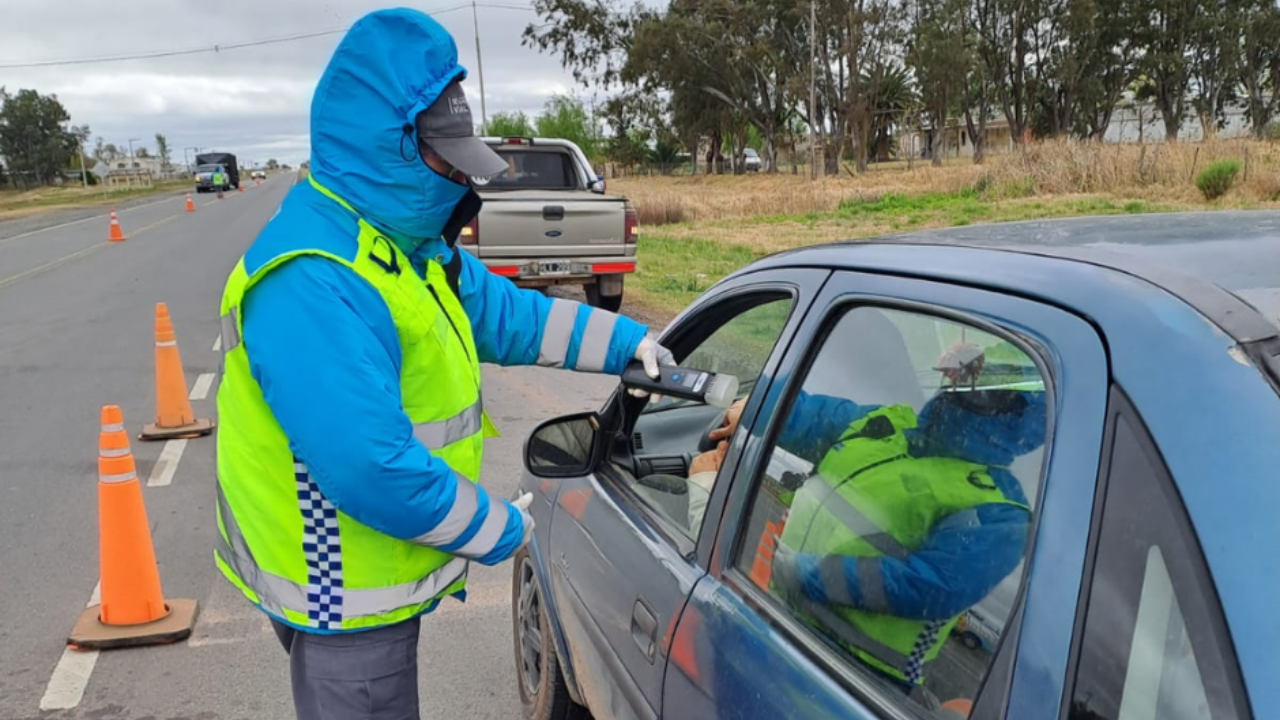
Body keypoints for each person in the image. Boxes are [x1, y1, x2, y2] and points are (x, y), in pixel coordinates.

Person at [212, 9, 671, 720]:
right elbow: (371, 467)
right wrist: (506, 529)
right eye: (444, 156)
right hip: (341, 599)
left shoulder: (401, 243)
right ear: (385, 145)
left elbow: (509, 316)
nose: (460, 174)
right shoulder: (312, 277)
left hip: (380, 575)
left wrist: (625, 345)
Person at [705, 344, 1045, 696]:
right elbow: (815, 419)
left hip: (861, 683)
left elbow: (931, 587)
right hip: (778, 625)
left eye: (976, 373)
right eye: (963, 366)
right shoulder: (891, 424)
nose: (953, 372)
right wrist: (758, 406)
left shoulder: (1000, 509)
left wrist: (808, 575)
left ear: (1013, 407)